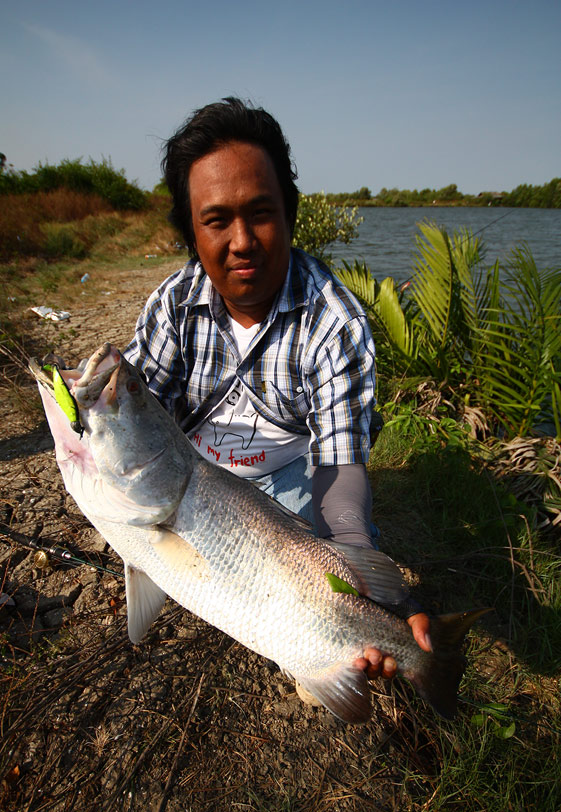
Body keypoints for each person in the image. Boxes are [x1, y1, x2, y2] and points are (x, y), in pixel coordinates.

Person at [124, 97, 430, 687]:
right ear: (192, 230)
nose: (242, 241)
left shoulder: (335, 323)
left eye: (260, 213)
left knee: (333, 583)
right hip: (195, 480)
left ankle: (363, 636)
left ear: (288, 214)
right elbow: (136, 412)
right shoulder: (172, 304)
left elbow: (339, 472)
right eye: (216, 220)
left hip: (294, 485)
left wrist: (350, 564)